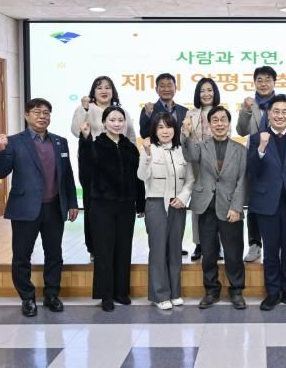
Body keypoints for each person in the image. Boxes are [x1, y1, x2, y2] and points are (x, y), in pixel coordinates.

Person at [0, 98, 78, 317]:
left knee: (54, 254)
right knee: (22, 256)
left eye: (46, 113)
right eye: (37, 112)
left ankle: (52, 295)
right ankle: (27, 298)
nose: (42, 116)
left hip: (54, 207)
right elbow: (1, 172)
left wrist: (72, 202)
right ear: (26, 115)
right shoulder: (14, 142)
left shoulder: (60, 142)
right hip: (25, 208)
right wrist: (0, 150)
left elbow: (67, 175)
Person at [247, 94, 286, 311]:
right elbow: (252, 171)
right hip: (267, 204)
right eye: (276, 111)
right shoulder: (257, 138)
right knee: (271, 250)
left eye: (285, 112)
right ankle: (273, 292)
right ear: (268, 114)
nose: (280, 115)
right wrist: (261, 148)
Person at [78, 106, 145, 312]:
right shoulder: (95, 145)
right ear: (104, 122)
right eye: (112, 120)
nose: (117, 124)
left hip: (126, 205)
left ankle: (121, 291)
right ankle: (105, 294)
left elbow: (139, 178)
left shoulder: (130, 147)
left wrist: (140, 203)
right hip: (102, 205)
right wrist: (85, 139)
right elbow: (85, 170)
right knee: (104, 249)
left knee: (124, 248)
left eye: (120, 120)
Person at [182, 106, 247, 310]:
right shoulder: (201, 146)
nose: (219, 124)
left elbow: (243, 180)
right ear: (209, 125)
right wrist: (186, 134)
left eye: (223, 120)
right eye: (215, 120)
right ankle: (211, 290)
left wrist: (236, 207)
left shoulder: (240, 150)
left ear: (229, 123)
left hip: (230, 208)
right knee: (208, 253)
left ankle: (236, 291)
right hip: (206, 207)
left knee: (234, 253)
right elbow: (190, 155)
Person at [71, 75, 136, 262]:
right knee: (92, 207)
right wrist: (84, 110)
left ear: (113, 91)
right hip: (93, 167)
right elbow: (76, 130)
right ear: (93, 91)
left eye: (108, 87)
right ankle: (94, 247)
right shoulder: (86, 108)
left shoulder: (121, 111)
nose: (104, 91)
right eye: (99, 87)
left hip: (118, 170)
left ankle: (115, 248)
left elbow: (131, 137)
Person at [236, 66, 286, 263]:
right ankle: (255, 244)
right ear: (254, 83)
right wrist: (245, 111)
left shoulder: (283, 104)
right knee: (254, 201)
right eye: (259, 80)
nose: (263, 84)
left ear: (274, 82)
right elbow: (241, 130)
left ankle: (278, 244)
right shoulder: (249, 104)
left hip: (279, 161)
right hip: (256, 158)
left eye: (268, 80)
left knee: (279, 200)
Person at [137, 113, 194, 310]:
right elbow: (142, 176)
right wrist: (147, 155)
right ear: (154, 130)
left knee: (175, 250)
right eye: (160, 127)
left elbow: (190, 179)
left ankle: (175, 293)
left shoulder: (182, 150)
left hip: (177, 205)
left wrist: (183, 198)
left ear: (174, 129)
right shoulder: (148, 149)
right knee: (158, 250)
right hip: (156, 204)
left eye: (168, 127)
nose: (165, 131)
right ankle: (159, 295)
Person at [183, 77, 223, 261]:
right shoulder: (190, 114)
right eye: (202, 91)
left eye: (209, 90)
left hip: (217, 165)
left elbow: (225, 137)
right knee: (198, 206)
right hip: (196, 166)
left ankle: (217, 245)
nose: (206, 94)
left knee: (218, 205)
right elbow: (186, 139)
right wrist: (185, 132)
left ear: (215, 92)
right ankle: (199, 244)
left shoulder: (221, 112)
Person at [138, 73, 188, 139]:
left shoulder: (184, 111)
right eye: (162, 86)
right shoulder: (148, 110)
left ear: (175, 88)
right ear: (156, 89)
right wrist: (148, 115)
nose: (166, 89)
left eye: (169, 86)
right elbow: (144, 134)